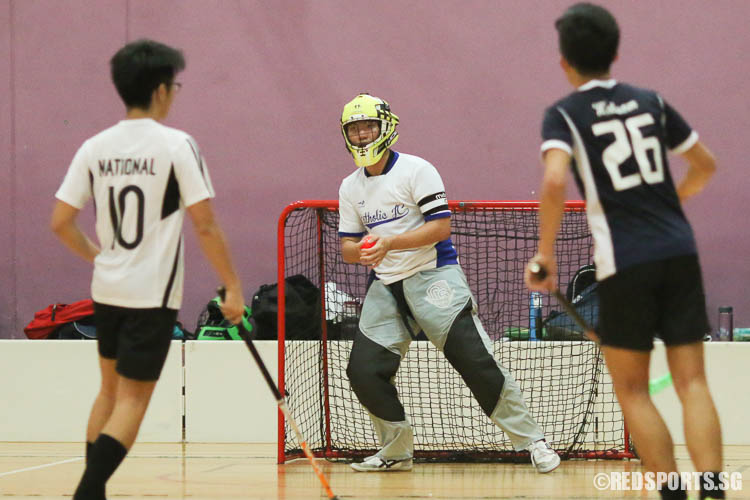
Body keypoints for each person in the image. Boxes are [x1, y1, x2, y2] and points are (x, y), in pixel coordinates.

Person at [525, 4, 721, 500]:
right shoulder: (650, 101)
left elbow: (553, 179)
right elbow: (704, 164)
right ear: (615, 52)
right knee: (692, 382)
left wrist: (544, 255)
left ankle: (672, 492)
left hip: (625, 259)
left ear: (563, 62)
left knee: (633, 389)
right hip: (679, 251)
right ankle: (715, 491)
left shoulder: (564, 113)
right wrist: (673, 202)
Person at [51, 39, 245, 500]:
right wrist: (233, 287)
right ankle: (87, 490)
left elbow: (61, 222)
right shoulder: (177, 145)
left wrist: (101, 257)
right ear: (160, 90)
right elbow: (205, 224)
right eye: (174, 86)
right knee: (133, 401)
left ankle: (91, 492)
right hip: (150, 296)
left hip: (107, 289)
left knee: (108, 393)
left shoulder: (94, 147)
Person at [338, 93, 560, 473]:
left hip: (433, 276)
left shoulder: (417, 170)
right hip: (386, 285)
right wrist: (362, 253)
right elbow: (347, 246)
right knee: (362, 370)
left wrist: (390, 242)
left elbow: (440, 227)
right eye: (354, 129)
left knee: (474, 360)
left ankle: (533, 442)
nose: (362, 135)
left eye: (368, 127)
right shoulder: (349, 186)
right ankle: (395, 452)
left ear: (385, 127)